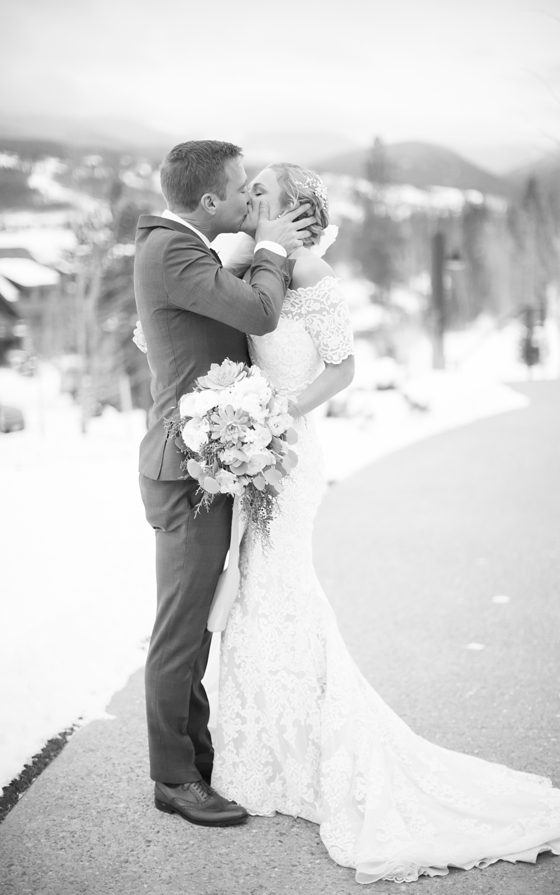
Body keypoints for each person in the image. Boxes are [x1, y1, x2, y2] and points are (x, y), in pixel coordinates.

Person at [207, 163, 560, 883]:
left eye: (264, 191)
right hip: (256, 445)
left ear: (295, 211)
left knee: (285, 585)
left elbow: (344, 367)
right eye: (251, 189)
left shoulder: (313, 272)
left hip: (291, 450)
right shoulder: (244, 262)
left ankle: (310, 753)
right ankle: (265, 755)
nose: (251, 196)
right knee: (259, 590)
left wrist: (279, 413)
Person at [134, 139, 312, 827]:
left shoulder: (181, 247)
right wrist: (269, 247)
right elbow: (259, 313)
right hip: (186, 467)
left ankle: (194, 759)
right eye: (240, 190)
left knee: (198, 621)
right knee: (181, 629)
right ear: (209, 201)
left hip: (206, 459)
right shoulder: (174, 252)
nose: (248, 201)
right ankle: (174, 778)